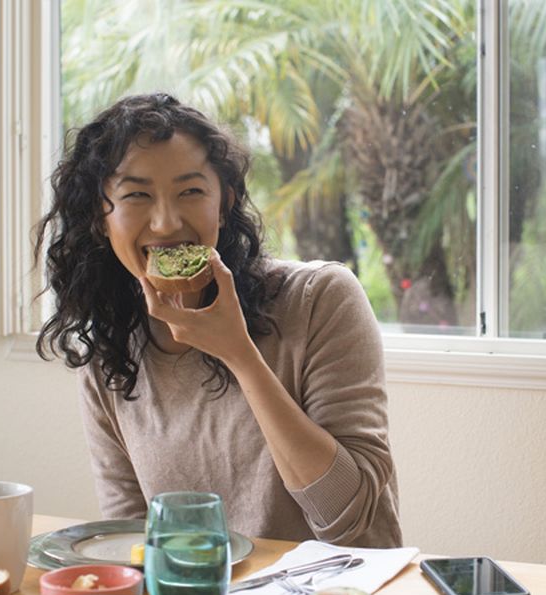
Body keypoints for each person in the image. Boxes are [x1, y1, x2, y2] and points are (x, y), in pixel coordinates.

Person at [34, 93, 402, 547]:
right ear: (99, 217)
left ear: (224, 202)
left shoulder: (320, 299)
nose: (167, 223)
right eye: (136, 195)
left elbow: (348, 518)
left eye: (191, 191)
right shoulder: (110, 353)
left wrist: (240, 354)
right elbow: (133, 541)